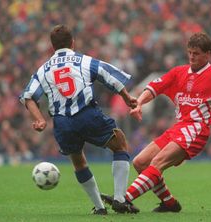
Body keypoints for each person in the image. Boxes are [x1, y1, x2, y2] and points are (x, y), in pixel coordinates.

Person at [102, 32, 211, 213]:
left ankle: (124, 199)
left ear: (208, 54)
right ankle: (169, 203)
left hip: (197, 129)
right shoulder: (179, 72)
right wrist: (140, 104)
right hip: (178, 127)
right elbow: (154, 87)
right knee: (140, 162)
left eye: (197, 53)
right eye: (190, 52)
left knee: (157, 163)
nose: (192, 56)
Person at [19, 24, 139, 215]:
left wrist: (40, 119)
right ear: (72, 42)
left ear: (52, 47)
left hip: (62, 123)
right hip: (86, 114)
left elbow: (28, 96)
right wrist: (127, 97)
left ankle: (100, 208)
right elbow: (108, 76)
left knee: (79, 161)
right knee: (120, 144)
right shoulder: (84, 61)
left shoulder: (42, 70)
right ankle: (119, 199)